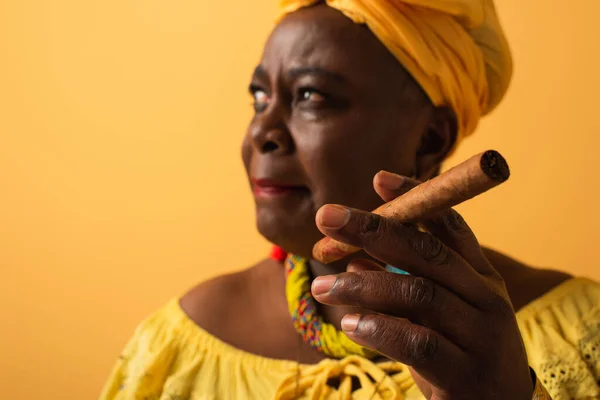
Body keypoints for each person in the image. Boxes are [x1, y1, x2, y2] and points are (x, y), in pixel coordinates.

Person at [100, 1, 600, 399]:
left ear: (430, 139)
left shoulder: (579, 332)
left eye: (311, 96)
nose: (262, 132)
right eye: (259, 98)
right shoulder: (178, 350)